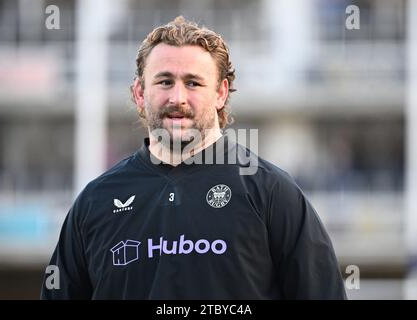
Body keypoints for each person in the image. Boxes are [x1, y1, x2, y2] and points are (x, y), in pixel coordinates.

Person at [41, 16, 346, 300]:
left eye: (193, 83)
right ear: (139, 93)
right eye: (164, 82)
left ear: (221, 93)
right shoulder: (96, 201)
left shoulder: (272, 194)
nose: (177, 98)